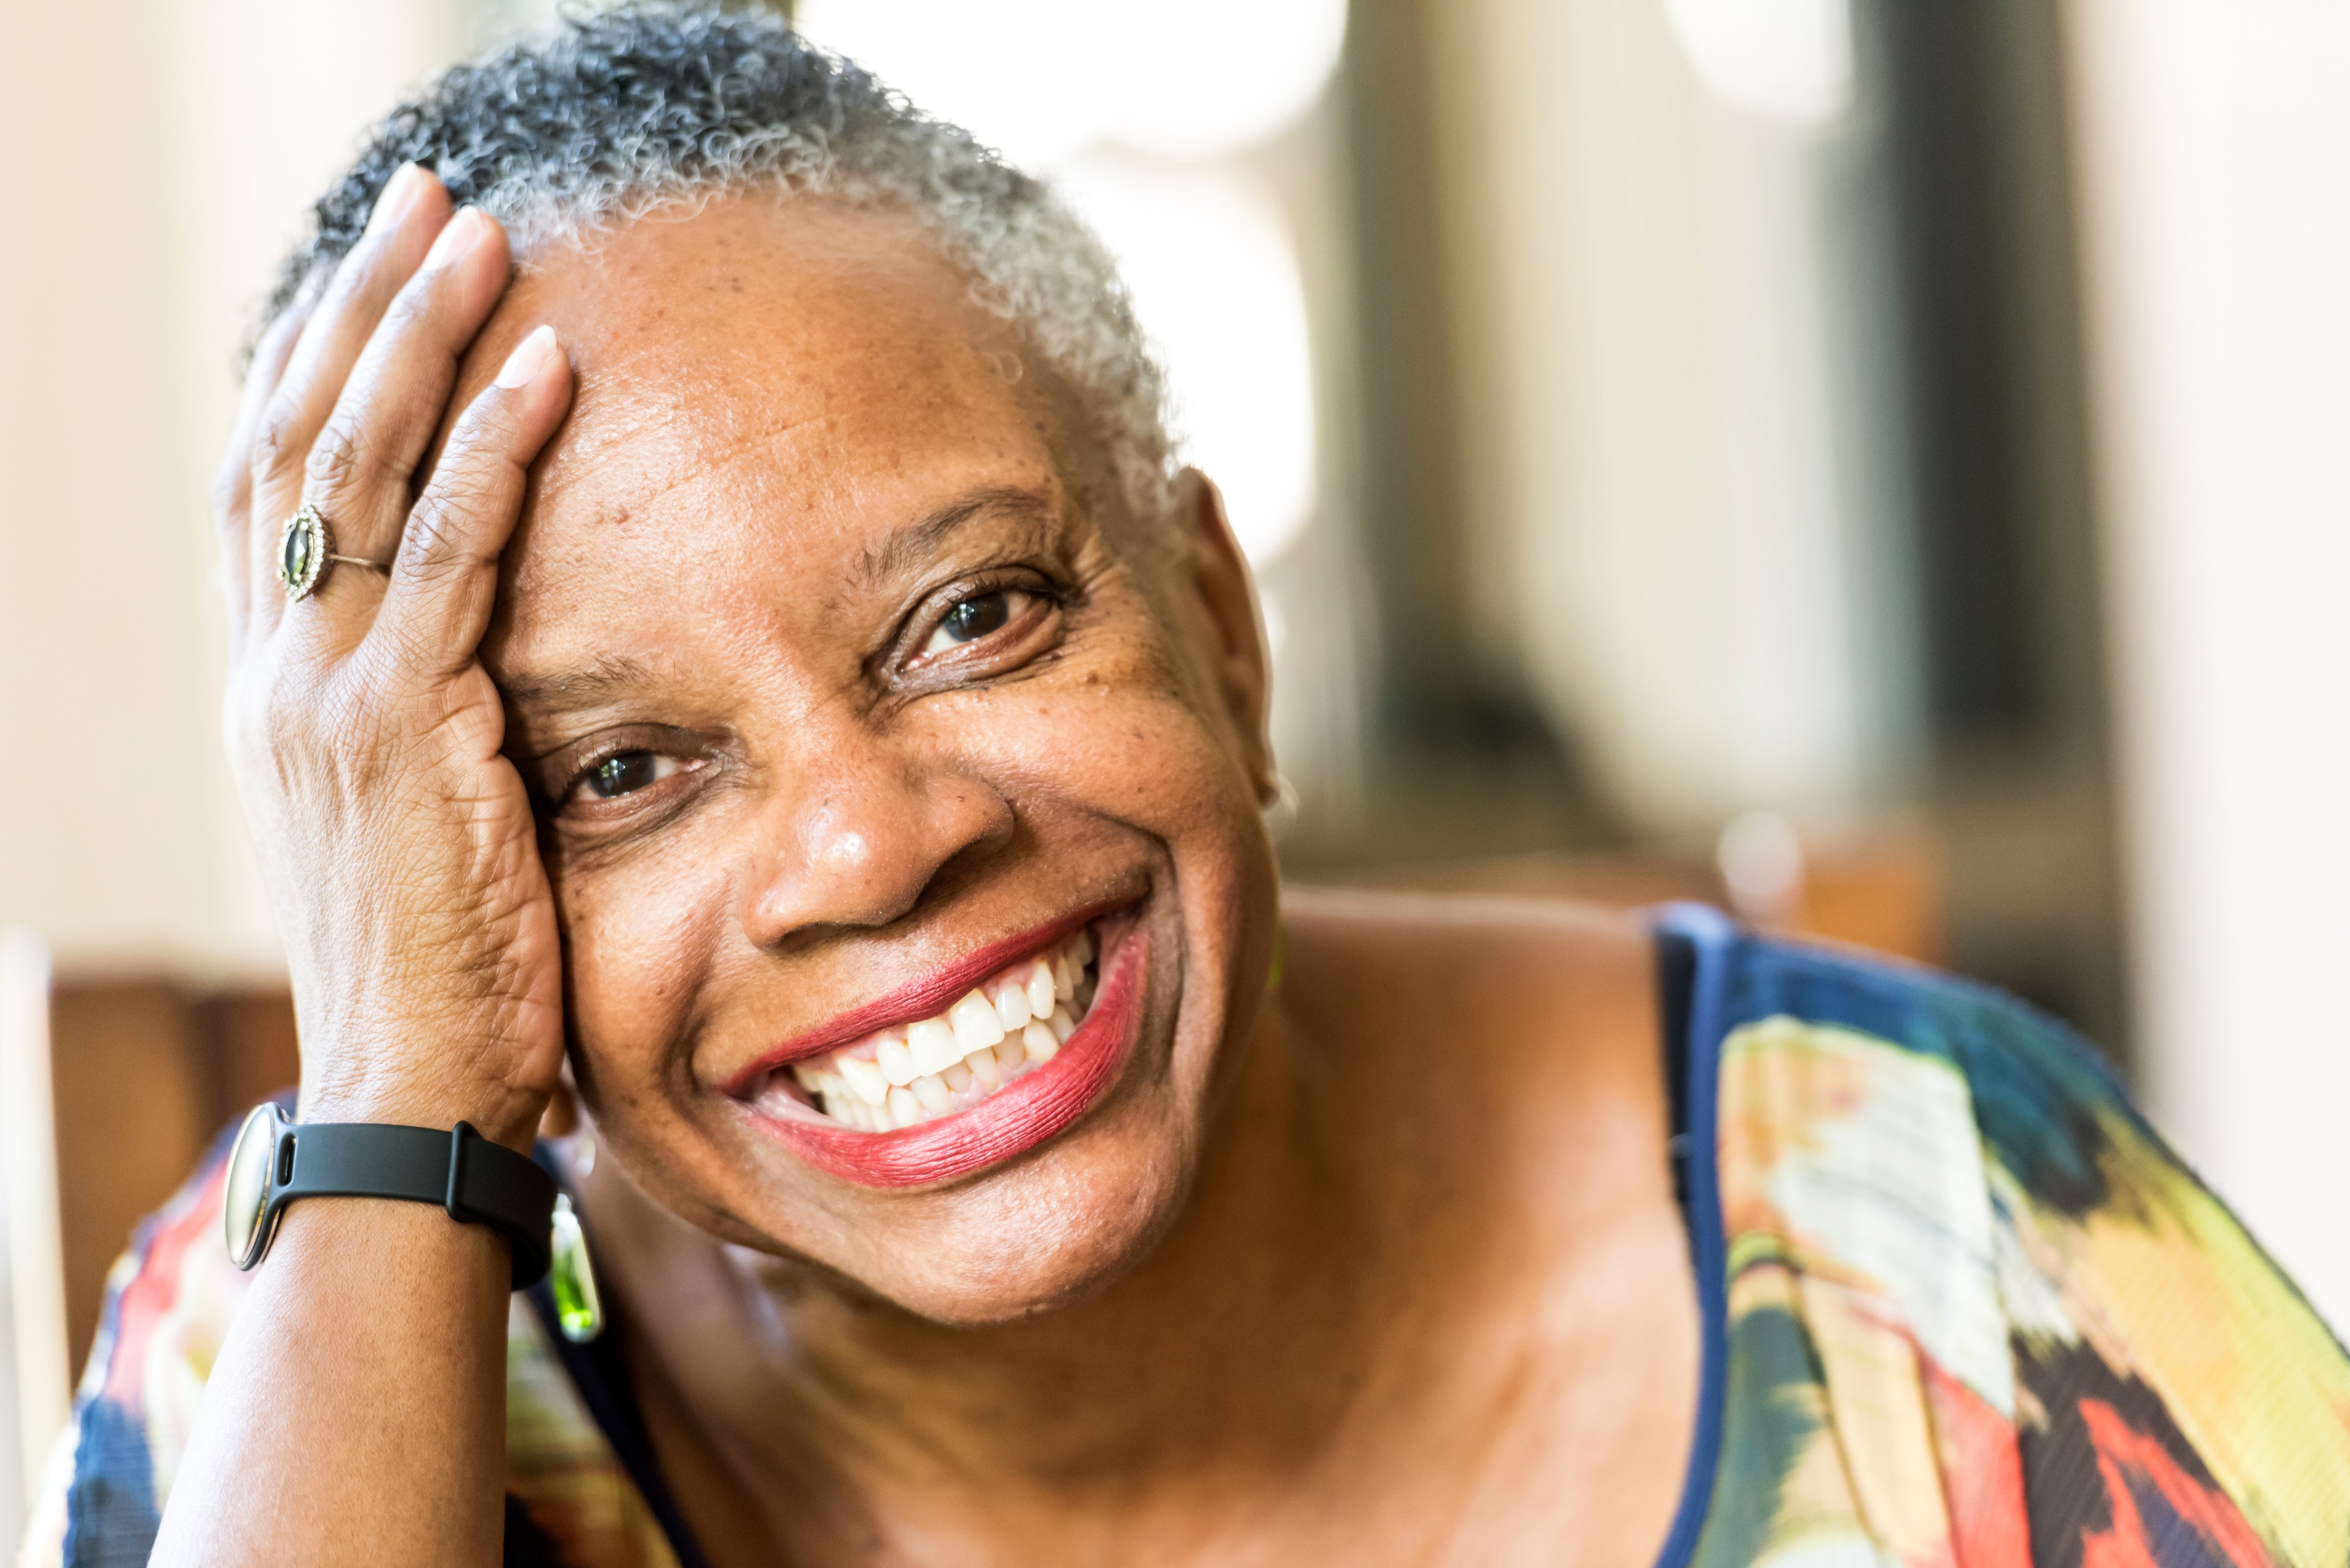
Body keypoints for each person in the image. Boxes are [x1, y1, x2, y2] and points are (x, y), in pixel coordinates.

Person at [23, 7, 2350, 1565]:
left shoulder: (1944, 1244)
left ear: (1221, 626)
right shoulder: (312, 1349)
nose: (867, 837)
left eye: (978, 614)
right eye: (622, 768)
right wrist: (401, 1098)